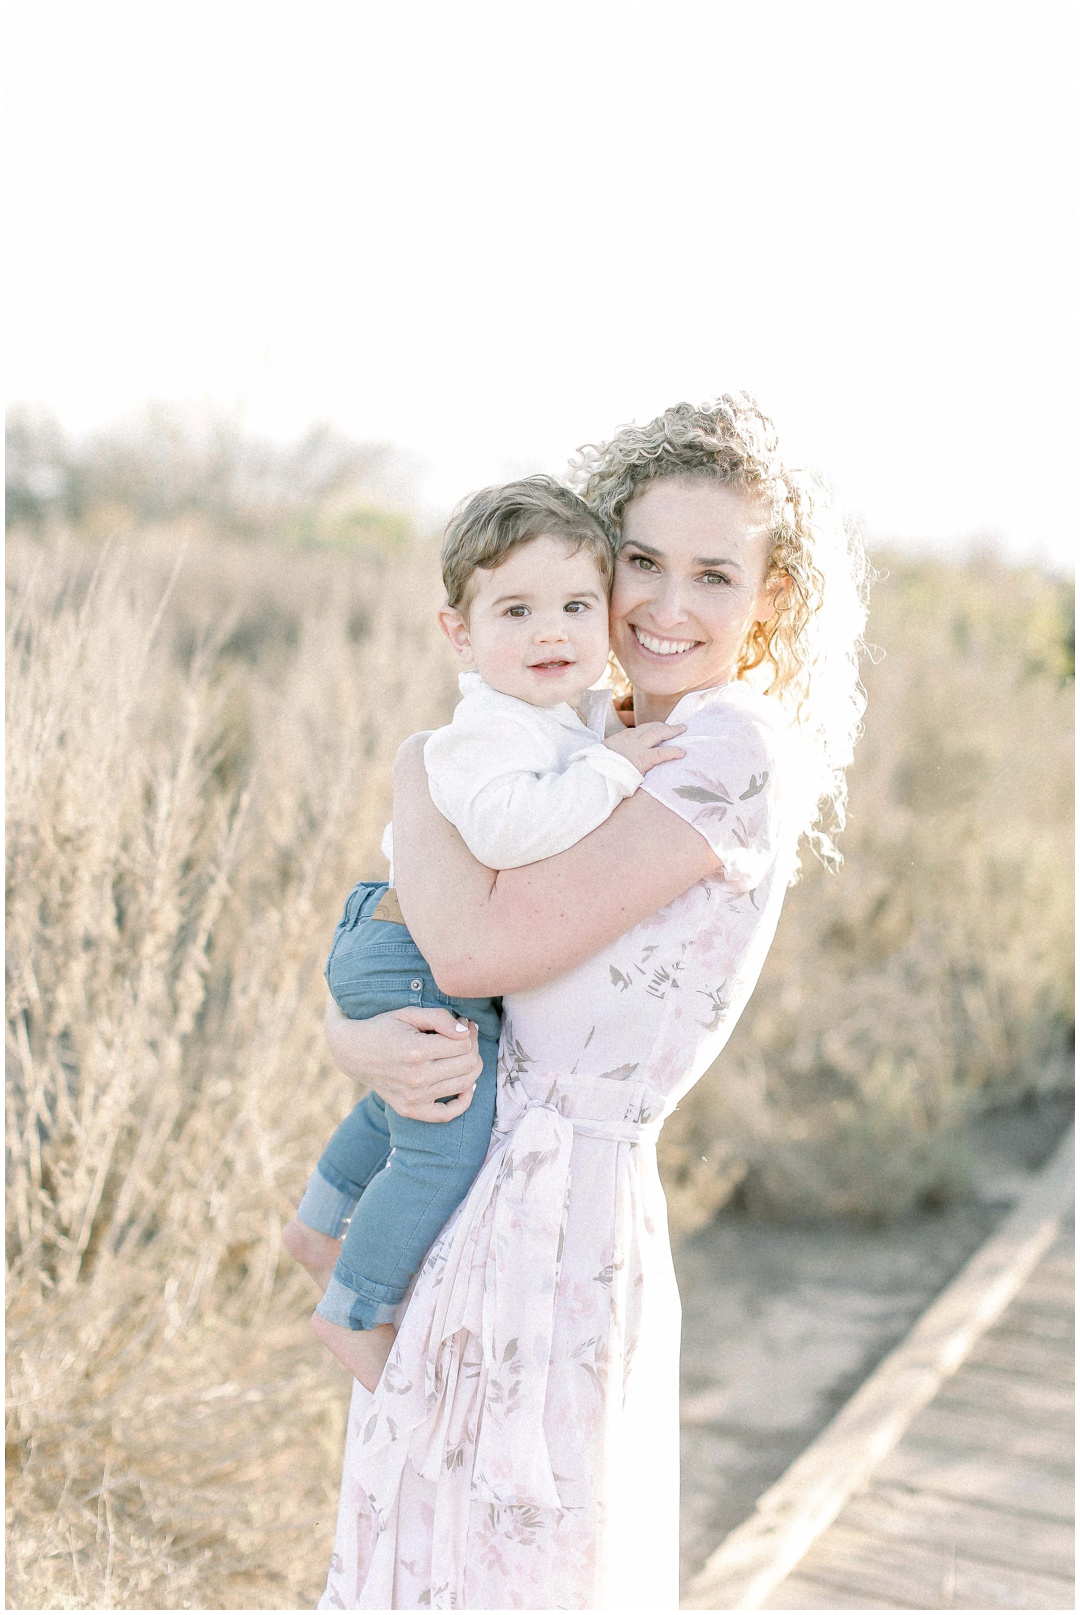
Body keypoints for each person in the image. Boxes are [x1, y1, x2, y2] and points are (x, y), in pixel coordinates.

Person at [317, 395, 870, 1611]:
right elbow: (431, 950)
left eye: (714, 574)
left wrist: (418, 770)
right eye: (642, 563)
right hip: (467, 1174)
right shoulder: (587, 732)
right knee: (423, 1540)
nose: (668, 606)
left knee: (523, 1564)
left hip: (564, 1219)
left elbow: (474, 947)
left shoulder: (728, 750)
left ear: (770, 599)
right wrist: (350, 1034)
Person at [283, 478, 683, 1391]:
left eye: (577, 606)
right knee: (447, 1139)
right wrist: (612, 773)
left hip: (400, 933)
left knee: (403, 1098)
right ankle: (355, 1307)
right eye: (517, 610)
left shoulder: (556, 715)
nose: (552, 631)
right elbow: (506, 832)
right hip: (412, 948)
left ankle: (317, 1219)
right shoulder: (479, 733)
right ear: (459, 634)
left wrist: (602, 741)